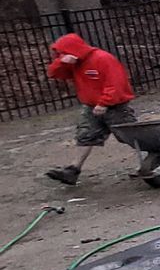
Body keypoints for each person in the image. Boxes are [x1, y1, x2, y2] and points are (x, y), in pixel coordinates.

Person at [45, 32, 136, 185]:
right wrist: (62, 62)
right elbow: (54, 73)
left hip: (114, 106)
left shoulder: (102, 59)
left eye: (63, 53)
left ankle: (157, 157)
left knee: (130, 135)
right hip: (91, 105)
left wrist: (104, 102)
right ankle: (73, 170)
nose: (61, 56)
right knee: (86, 135)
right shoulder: (75, 63)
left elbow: (115, 83)